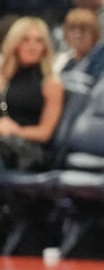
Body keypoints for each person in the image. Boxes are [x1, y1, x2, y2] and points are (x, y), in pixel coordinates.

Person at [0, 16, 64, 173]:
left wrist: (15, 131)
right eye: (26, 40)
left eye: (38, 41)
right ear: (14, 44)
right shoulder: (2, 78)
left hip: (30, 151)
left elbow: (45, 133)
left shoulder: (51, 84)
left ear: (45, 47)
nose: (32, 46)